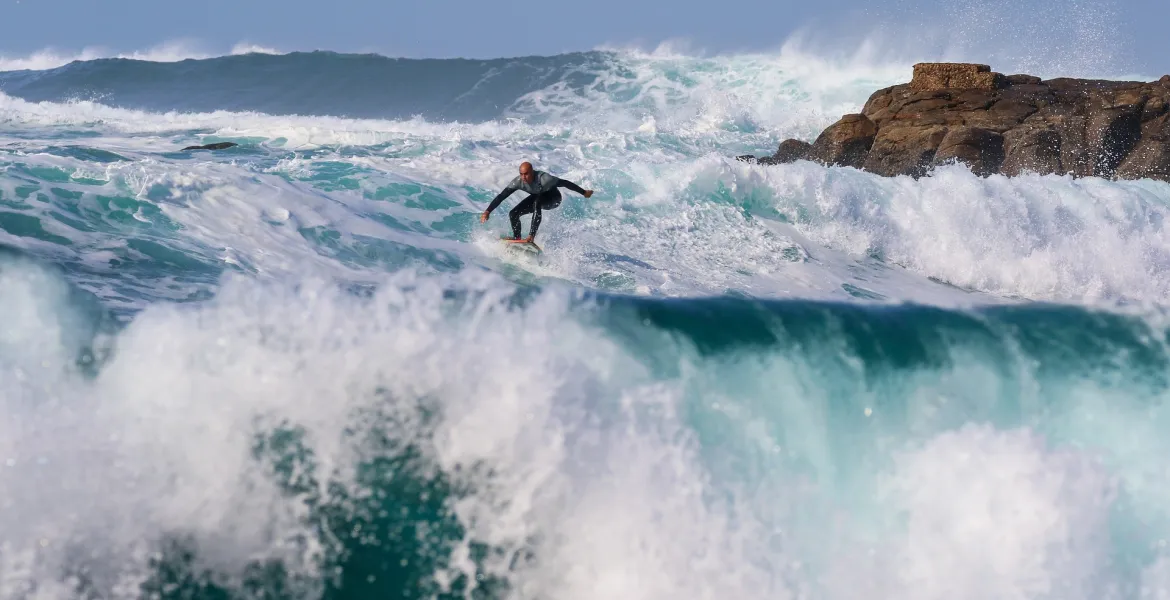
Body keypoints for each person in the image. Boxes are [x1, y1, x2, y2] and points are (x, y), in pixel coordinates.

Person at [480, 161, 593, 243]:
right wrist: (487, 211)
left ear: (532, 172)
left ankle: (531, 237)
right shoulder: (518, 182)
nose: (523, 177)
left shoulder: (545, 179)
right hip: (538, 197)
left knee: (537, 202)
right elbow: (502, 196)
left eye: (526, 174)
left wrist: (584, 192)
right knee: (513, 213)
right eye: (521, 174)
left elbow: (565, 183)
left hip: (554, 199)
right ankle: (517, 238)